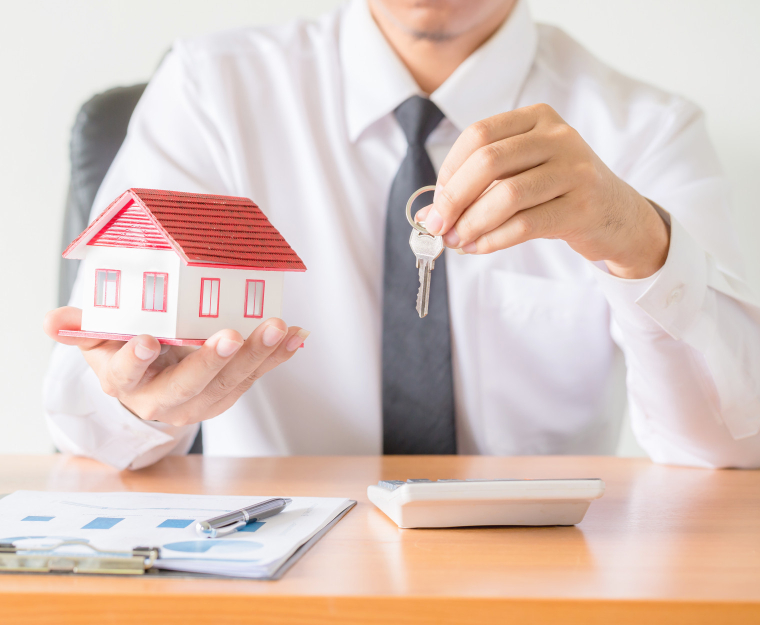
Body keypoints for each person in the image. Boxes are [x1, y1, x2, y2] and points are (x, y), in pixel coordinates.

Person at [43, 0, 760, 470]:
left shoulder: (649, 130)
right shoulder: (209, 91)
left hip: (538, 576)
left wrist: (640, 243)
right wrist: (139, 401)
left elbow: (734, 445)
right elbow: (82, 412)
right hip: (277, 574)